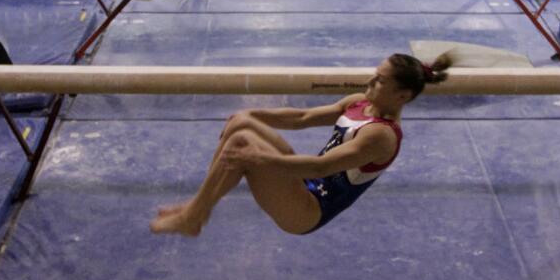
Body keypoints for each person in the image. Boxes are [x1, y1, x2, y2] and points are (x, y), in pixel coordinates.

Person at [149, 52, 452, 237]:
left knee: (241, 147)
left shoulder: (381, 136)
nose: (370, 82)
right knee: (241, 124)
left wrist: (258, 159)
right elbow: (303, 117)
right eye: (374, 74)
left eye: (380, 81)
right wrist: (251, 112)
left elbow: (321, 166)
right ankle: (197, 209)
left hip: (308, 210)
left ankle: (194, 216)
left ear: (402, 97)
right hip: (303, 183)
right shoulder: (360, 103)